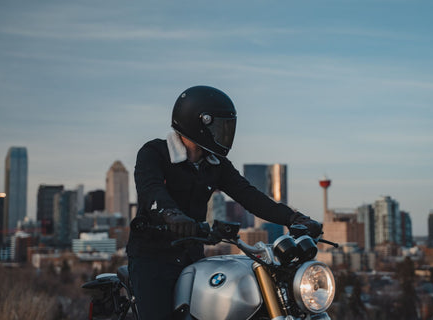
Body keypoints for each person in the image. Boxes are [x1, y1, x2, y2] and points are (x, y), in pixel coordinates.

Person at [126, 85, 322, 320]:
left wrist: (293, 218)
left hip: (190, 256)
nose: (225, 133)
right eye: (219, 126)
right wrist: (172, 215)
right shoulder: (154, 153)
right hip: (152, 257)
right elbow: (151, 190)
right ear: (197, 123)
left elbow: (250, 196)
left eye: (227, 126)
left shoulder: (215, 163)